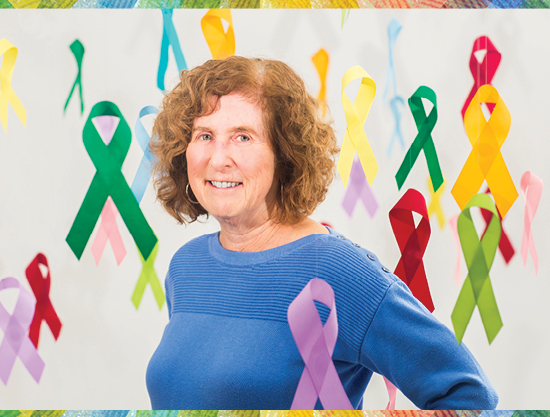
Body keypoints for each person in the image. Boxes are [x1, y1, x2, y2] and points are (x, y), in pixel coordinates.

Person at [145, 56, 498, 410]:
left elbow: (469, 395)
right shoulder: (186, 266)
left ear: (284, 153)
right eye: (204, 135)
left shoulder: (337, 269)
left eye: (243, 136)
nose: (218, 158)